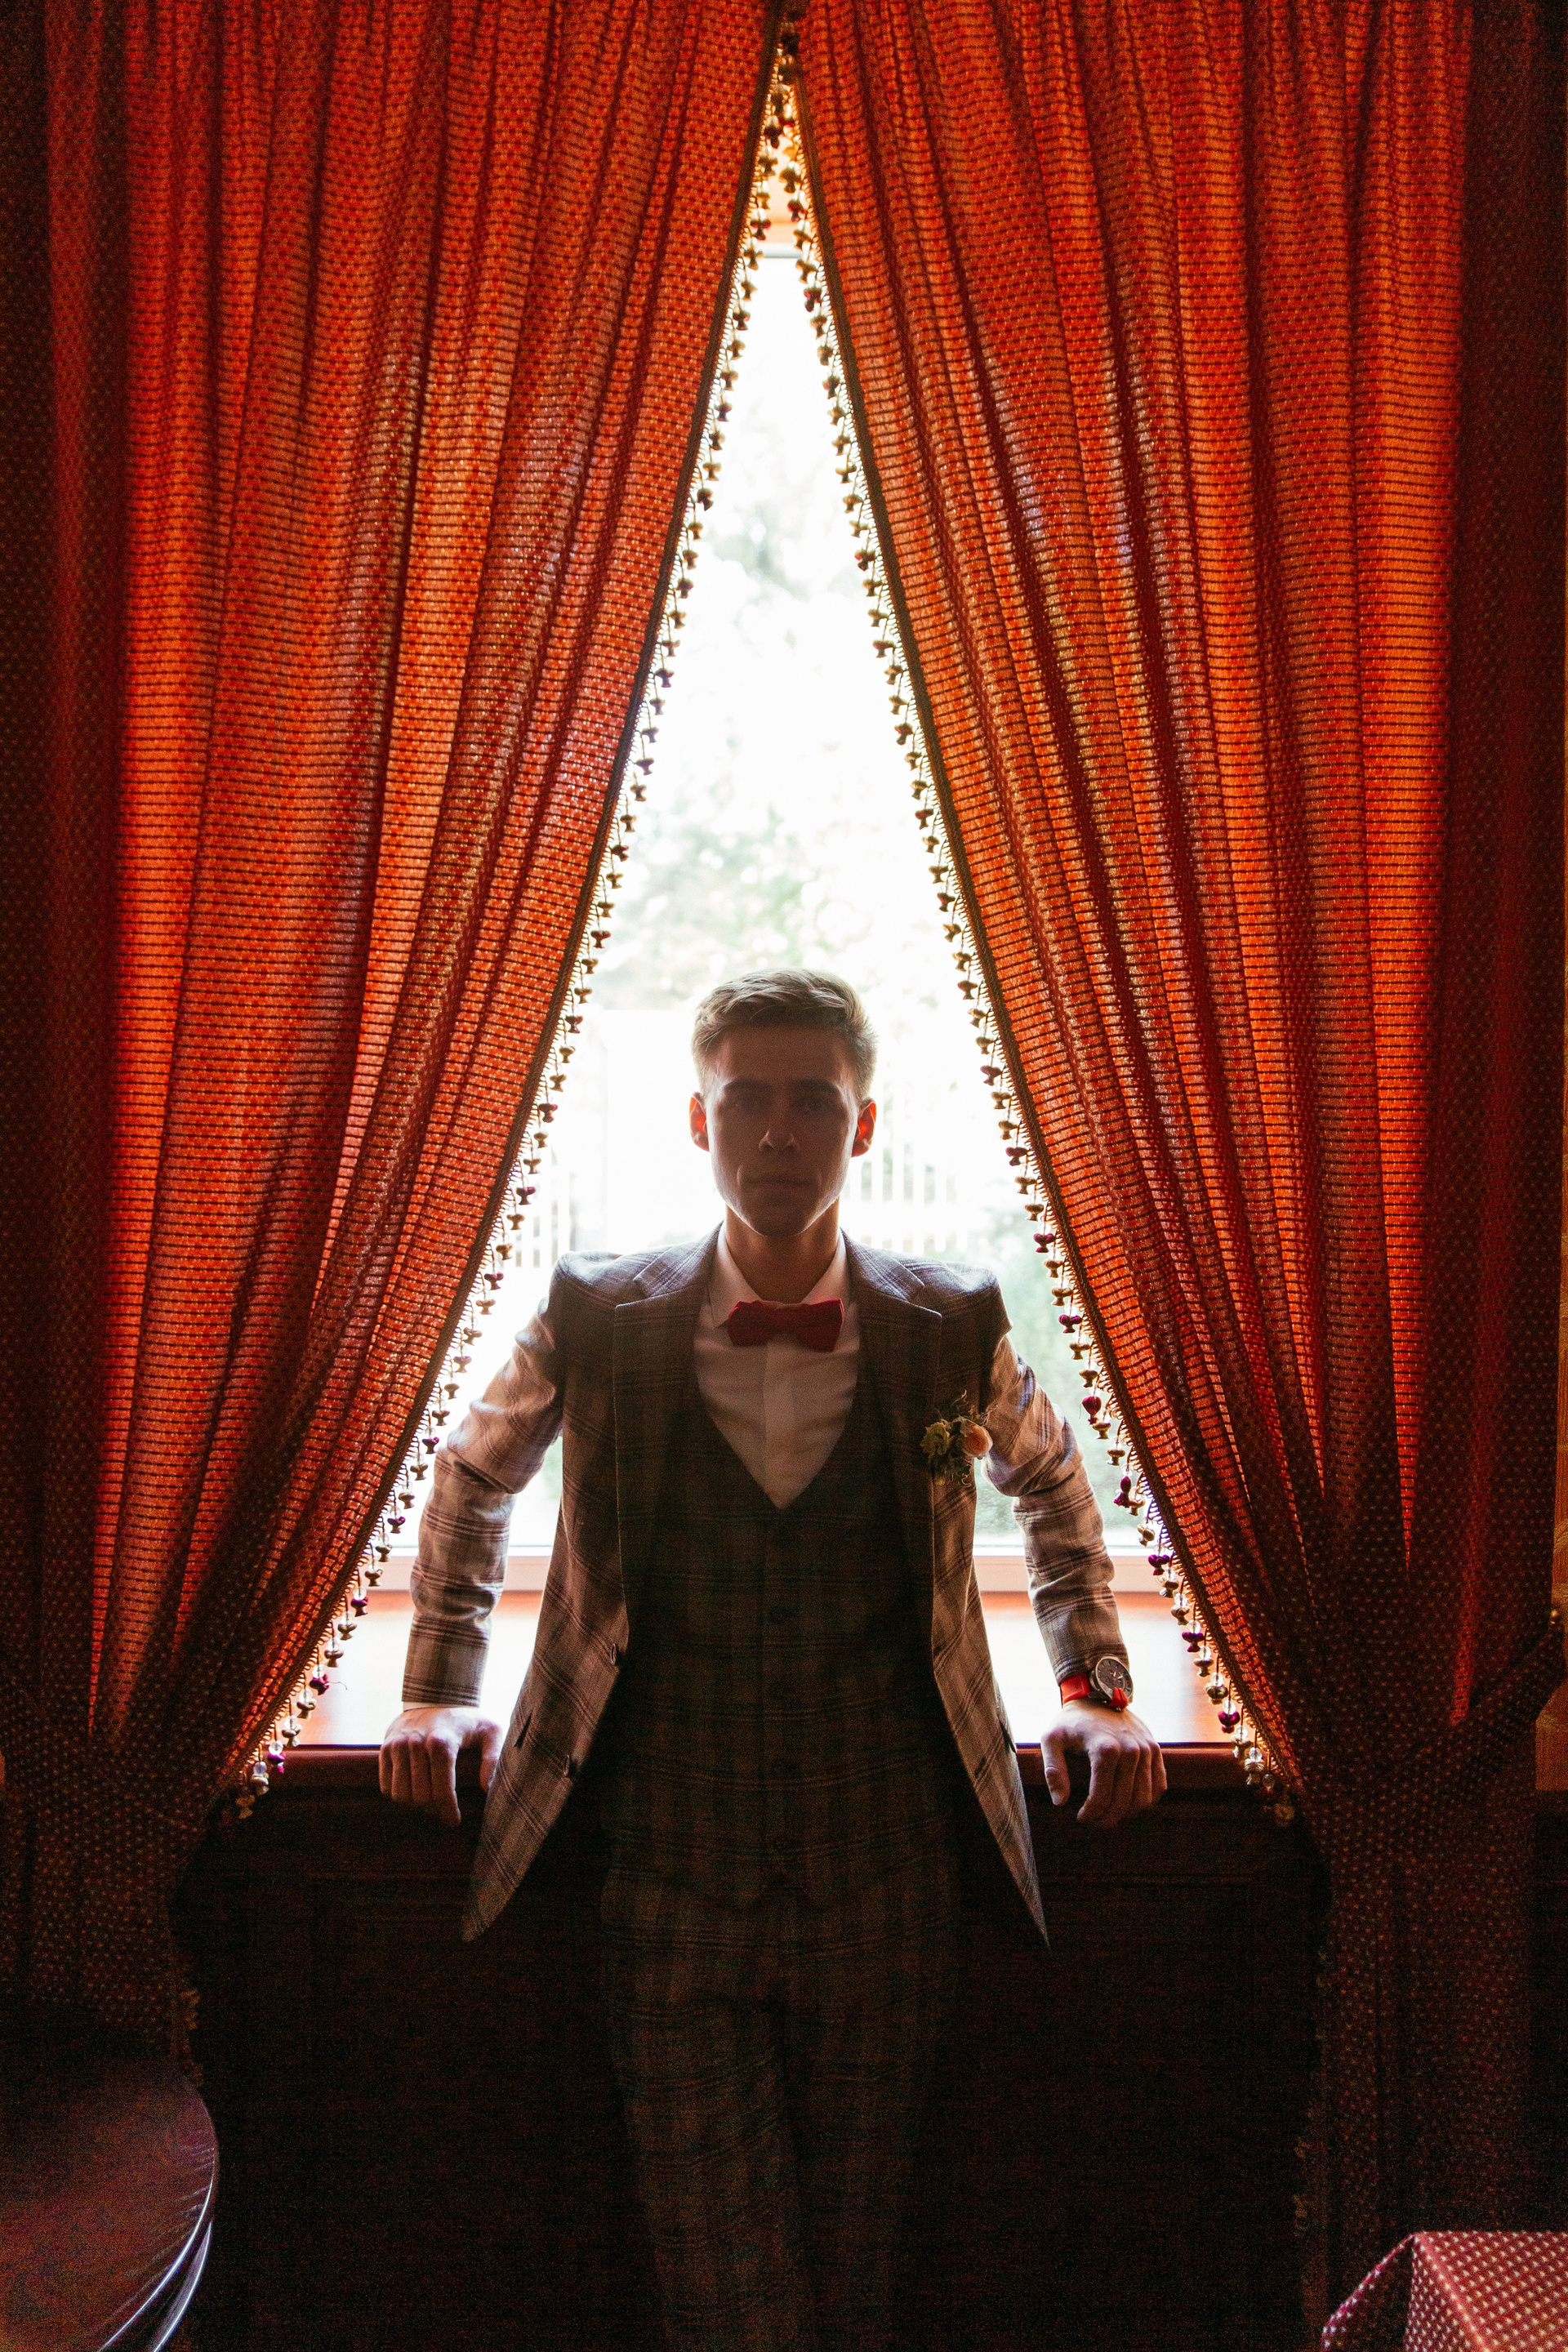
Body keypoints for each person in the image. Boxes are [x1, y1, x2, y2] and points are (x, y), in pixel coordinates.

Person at [380, 967, 1164, 2351]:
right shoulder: (597, 1309)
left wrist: (1095, 1690)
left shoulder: (949, 1320)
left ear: (864, 1127)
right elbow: (471, 1474)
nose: (782, 1132)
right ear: (701, 1120)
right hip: (667, 1891)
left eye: (816, 1101)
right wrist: (439, 1689)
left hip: (887, 1891)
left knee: (857, 2281)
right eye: (750, 1101)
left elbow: (1052, 1486)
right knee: (724, 2297)